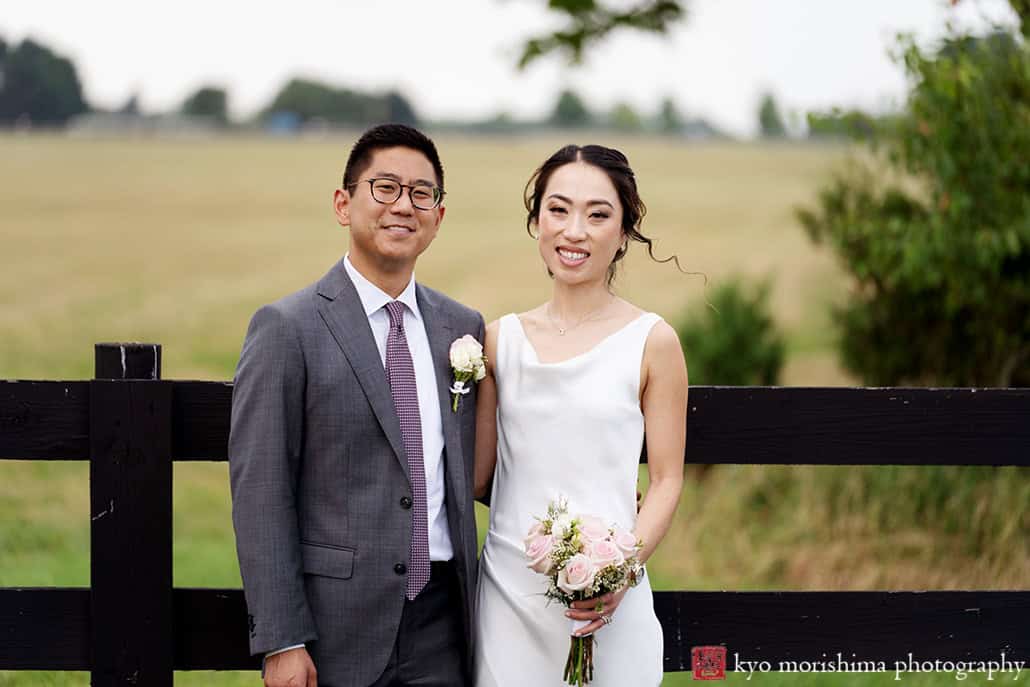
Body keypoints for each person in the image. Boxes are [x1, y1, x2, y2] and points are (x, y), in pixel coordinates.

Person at [228, 124, 484, 687]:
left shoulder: (462, 329)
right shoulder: (287, 328)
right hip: (334, 628)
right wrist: (282, 639)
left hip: (445, 622)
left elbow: (482, 467)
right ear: (344, 204)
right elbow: (261, 489)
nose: (404, 205)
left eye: (422, 194)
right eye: (385, 187)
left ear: (438, 217)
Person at [472, 144, 688, 685]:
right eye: (558, 209)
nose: (575, 231)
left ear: (623, 231)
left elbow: (665, 479)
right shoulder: (499, 341)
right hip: (509, 597)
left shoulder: (652, 342)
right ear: (536, 220)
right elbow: (479, 477)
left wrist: (618, 568)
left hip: (610, 598)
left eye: (598, 214)